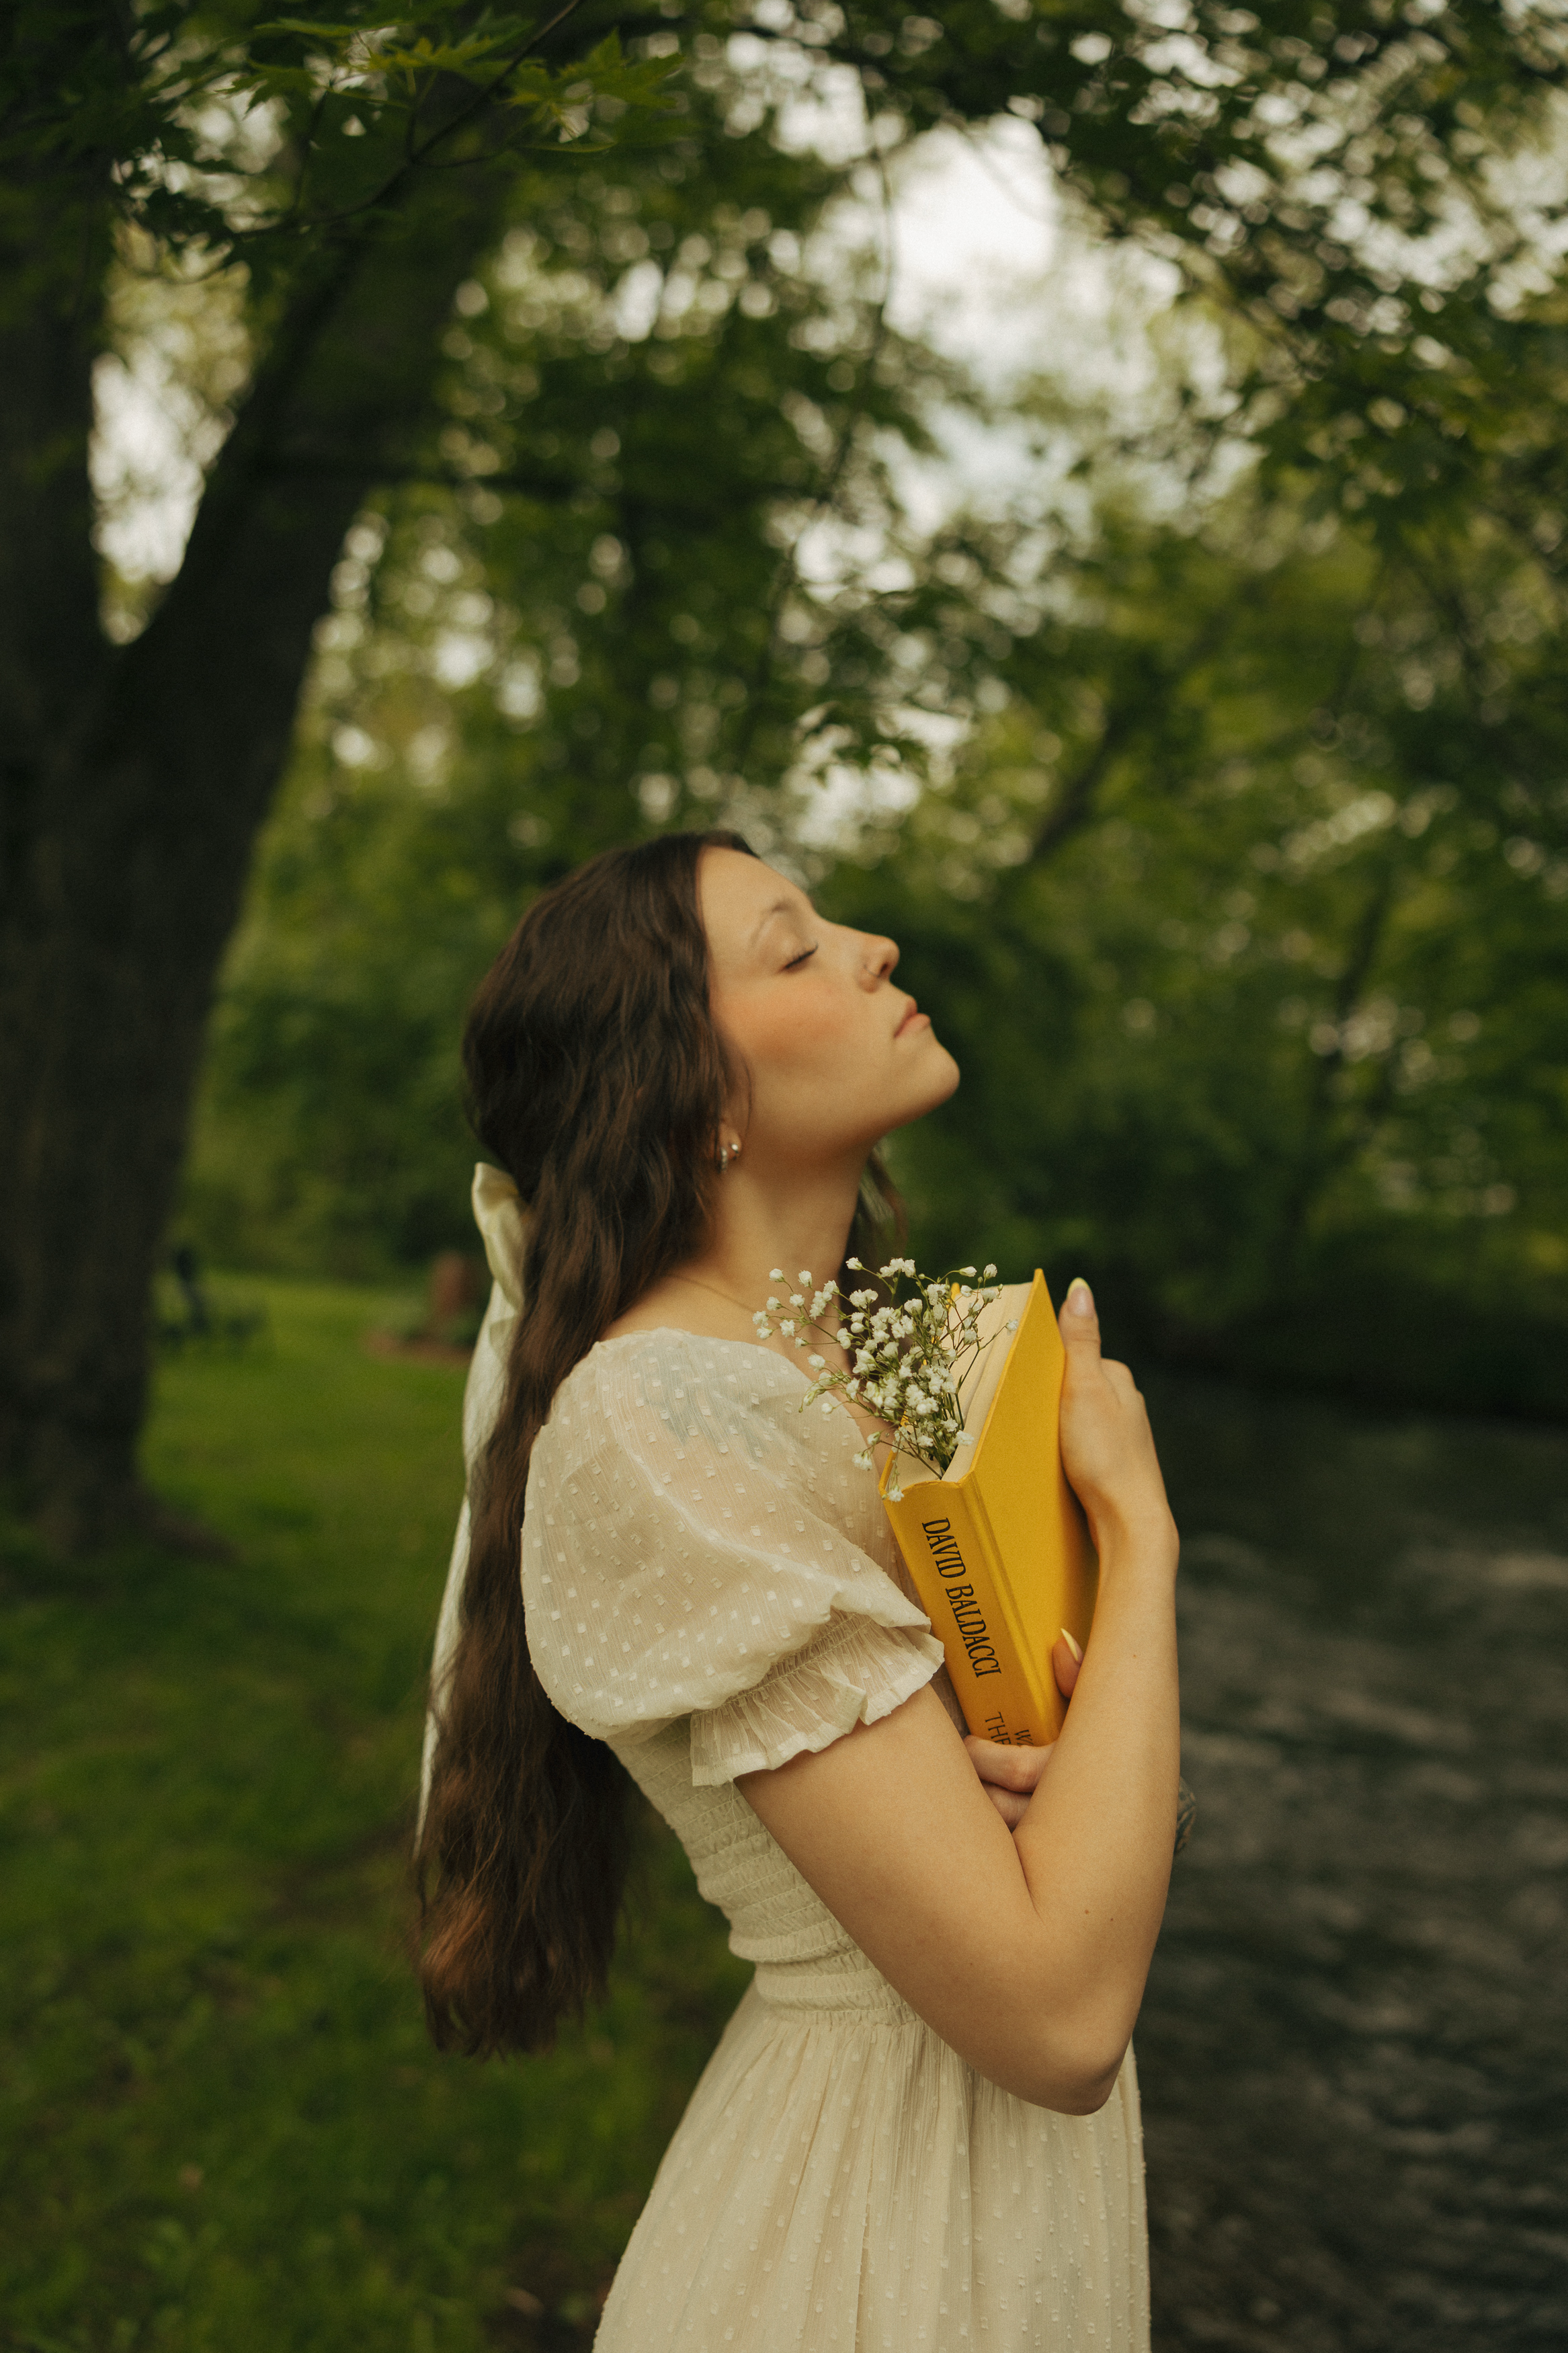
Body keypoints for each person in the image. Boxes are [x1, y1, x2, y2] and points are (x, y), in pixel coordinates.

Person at [416, 828, 1182, 2351]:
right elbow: (1054, 2010)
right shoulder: (655, 1421)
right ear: (692, 1092)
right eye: (795, 943)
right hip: (873, 2227)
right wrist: (1142, 1536)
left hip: (1018, 2186)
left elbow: (1091, 1831)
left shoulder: (888, 1373)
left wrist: (1071, 1779)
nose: (874, 943)